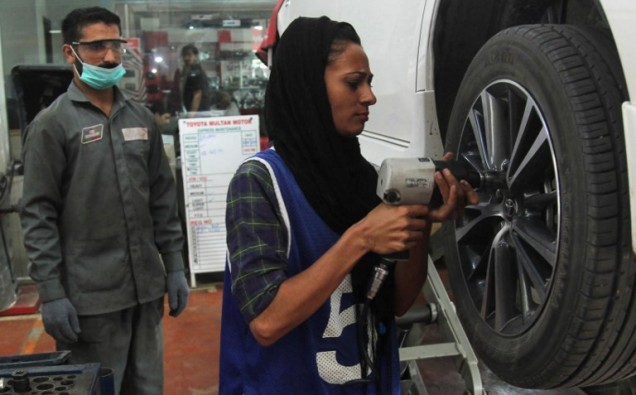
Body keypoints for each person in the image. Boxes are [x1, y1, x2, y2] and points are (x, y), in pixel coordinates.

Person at [219, 16, 478, 394]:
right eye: (353, 82)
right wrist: (361, 238)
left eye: (369, 82)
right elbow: (266, 321)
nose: (369, 96)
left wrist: (416, 219)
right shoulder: (259, 183)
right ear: (307, 87)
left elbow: (399, 303)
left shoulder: (367, 180)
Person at [20, 7, 189, 395]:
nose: (110, 57)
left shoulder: (140, 119)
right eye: (96, 46)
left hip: (145, 289)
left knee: (147, 388)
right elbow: (38, 214)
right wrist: (52, 292)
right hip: (88, 301)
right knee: (96, 389)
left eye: (115, 44)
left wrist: (175, 265)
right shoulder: (52, 125)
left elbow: (162, 199)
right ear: (70, 52)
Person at [178, 43, 212, 113]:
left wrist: (192, 115)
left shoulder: (195, 71)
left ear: (195, 56)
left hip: (198, 112)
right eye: (184, 55)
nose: (186, 58)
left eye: (189, 55)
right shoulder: (188, 71)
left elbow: (197, 94)